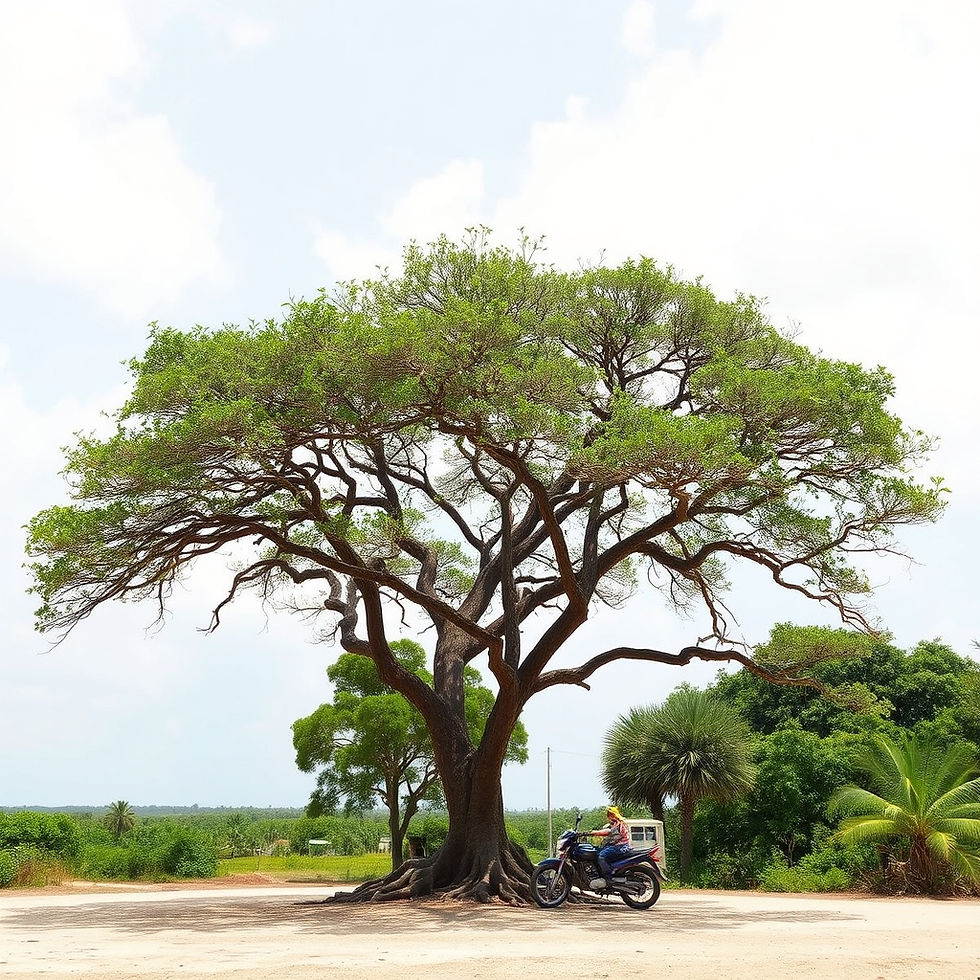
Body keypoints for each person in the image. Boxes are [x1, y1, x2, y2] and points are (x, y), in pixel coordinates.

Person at [590, 804, 631, 887]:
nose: (608, 818)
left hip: (620, 847)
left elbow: (608, 832)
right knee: (596, 850)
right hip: (618, 846)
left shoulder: (619, 824)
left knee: (601, 856)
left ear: (612, 815)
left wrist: (595, 833)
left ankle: (608, 878)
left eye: (609, 815)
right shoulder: (617, 823)